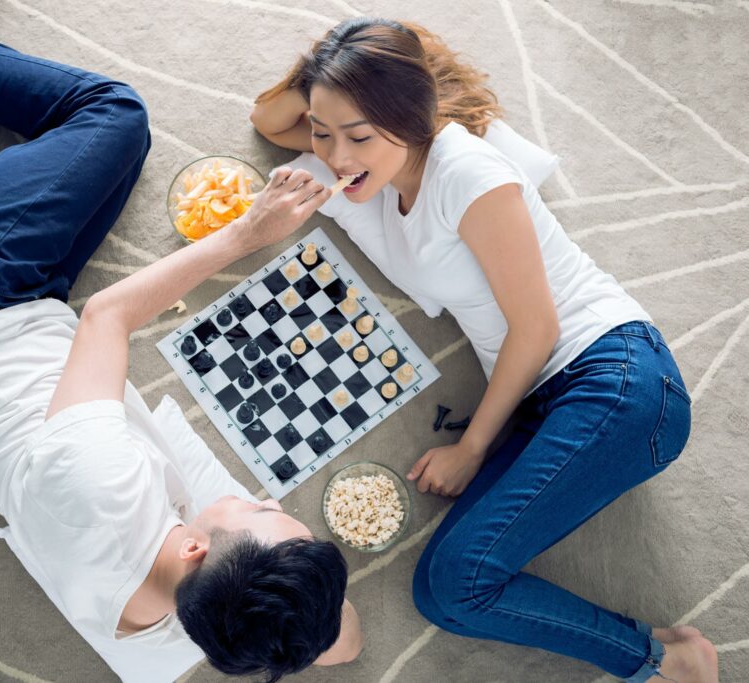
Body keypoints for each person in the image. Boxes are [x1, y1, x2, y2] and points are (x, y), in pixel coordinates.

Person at [0, 2, 362, 681]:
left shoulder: (103, 481)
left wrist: (248, 233)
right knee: (118, 156)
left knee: (115, 114)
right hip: (32, 312)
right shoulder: (189, 639)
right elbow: (347, 642)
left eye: (257, 513)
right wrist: (296, 604)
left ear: (191, 546)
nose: (267, 499)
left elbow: (108, 315)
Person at [249, 16, 718, 683]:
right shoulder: (383, 165)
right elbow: (270, 120)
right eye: (323, 132)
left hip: (612, 377)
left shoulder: (467, 171)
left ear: (410, 116)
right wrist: (328, 66)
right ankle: (657, 656)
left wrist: (472, 449)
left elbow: (537, 328)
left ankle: (663, 661)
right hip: (544, 397)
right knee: (446, 590)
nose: (333, 156)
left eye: (356, 135)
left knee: (455, 585)